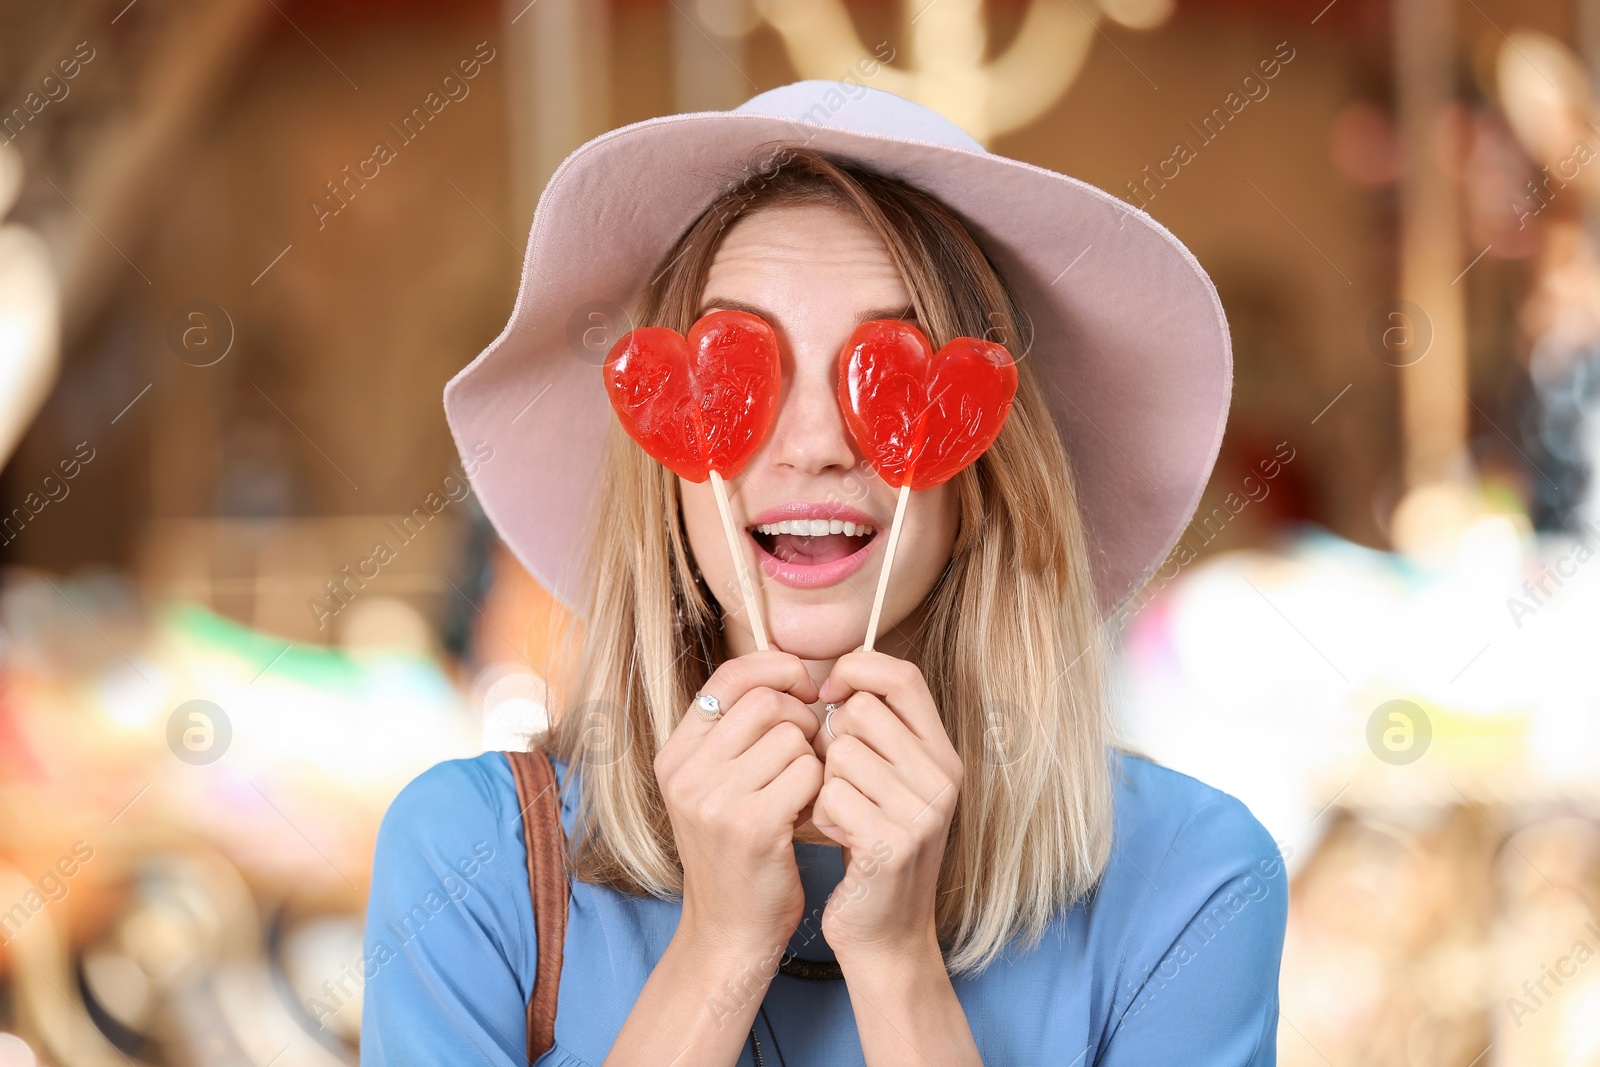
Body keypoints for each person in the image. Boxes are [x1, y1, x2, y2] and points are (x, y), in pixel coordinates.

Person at [360, 80, 1288, 1066]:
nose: (814, 444)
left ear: (984, 460)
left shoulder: (1192, 880)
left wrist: (896, 963)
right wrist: (719, 946)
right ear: (666, 461)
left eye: (885, 375)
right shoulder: (469, 856)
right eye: (738, 375)